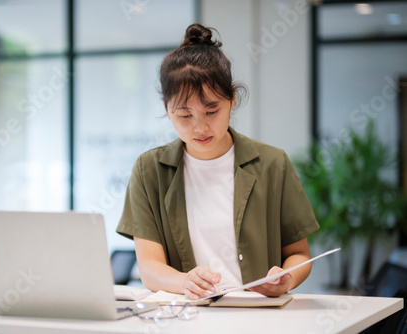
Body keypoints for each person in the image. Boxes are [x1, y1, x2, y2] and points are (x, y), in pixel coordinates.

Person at [116, 23, 319, 300]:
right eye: (184, 116)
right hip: (186, 318)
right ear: (166, 109)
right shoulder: (149, 170)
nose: (200, 128)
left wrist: (286, 278)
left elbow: (298, 253)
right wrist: (184, 281)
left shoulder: (273, 164)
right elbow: (150, 268)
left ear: (232, 98)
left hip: (259, 317)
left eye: (211, 110)